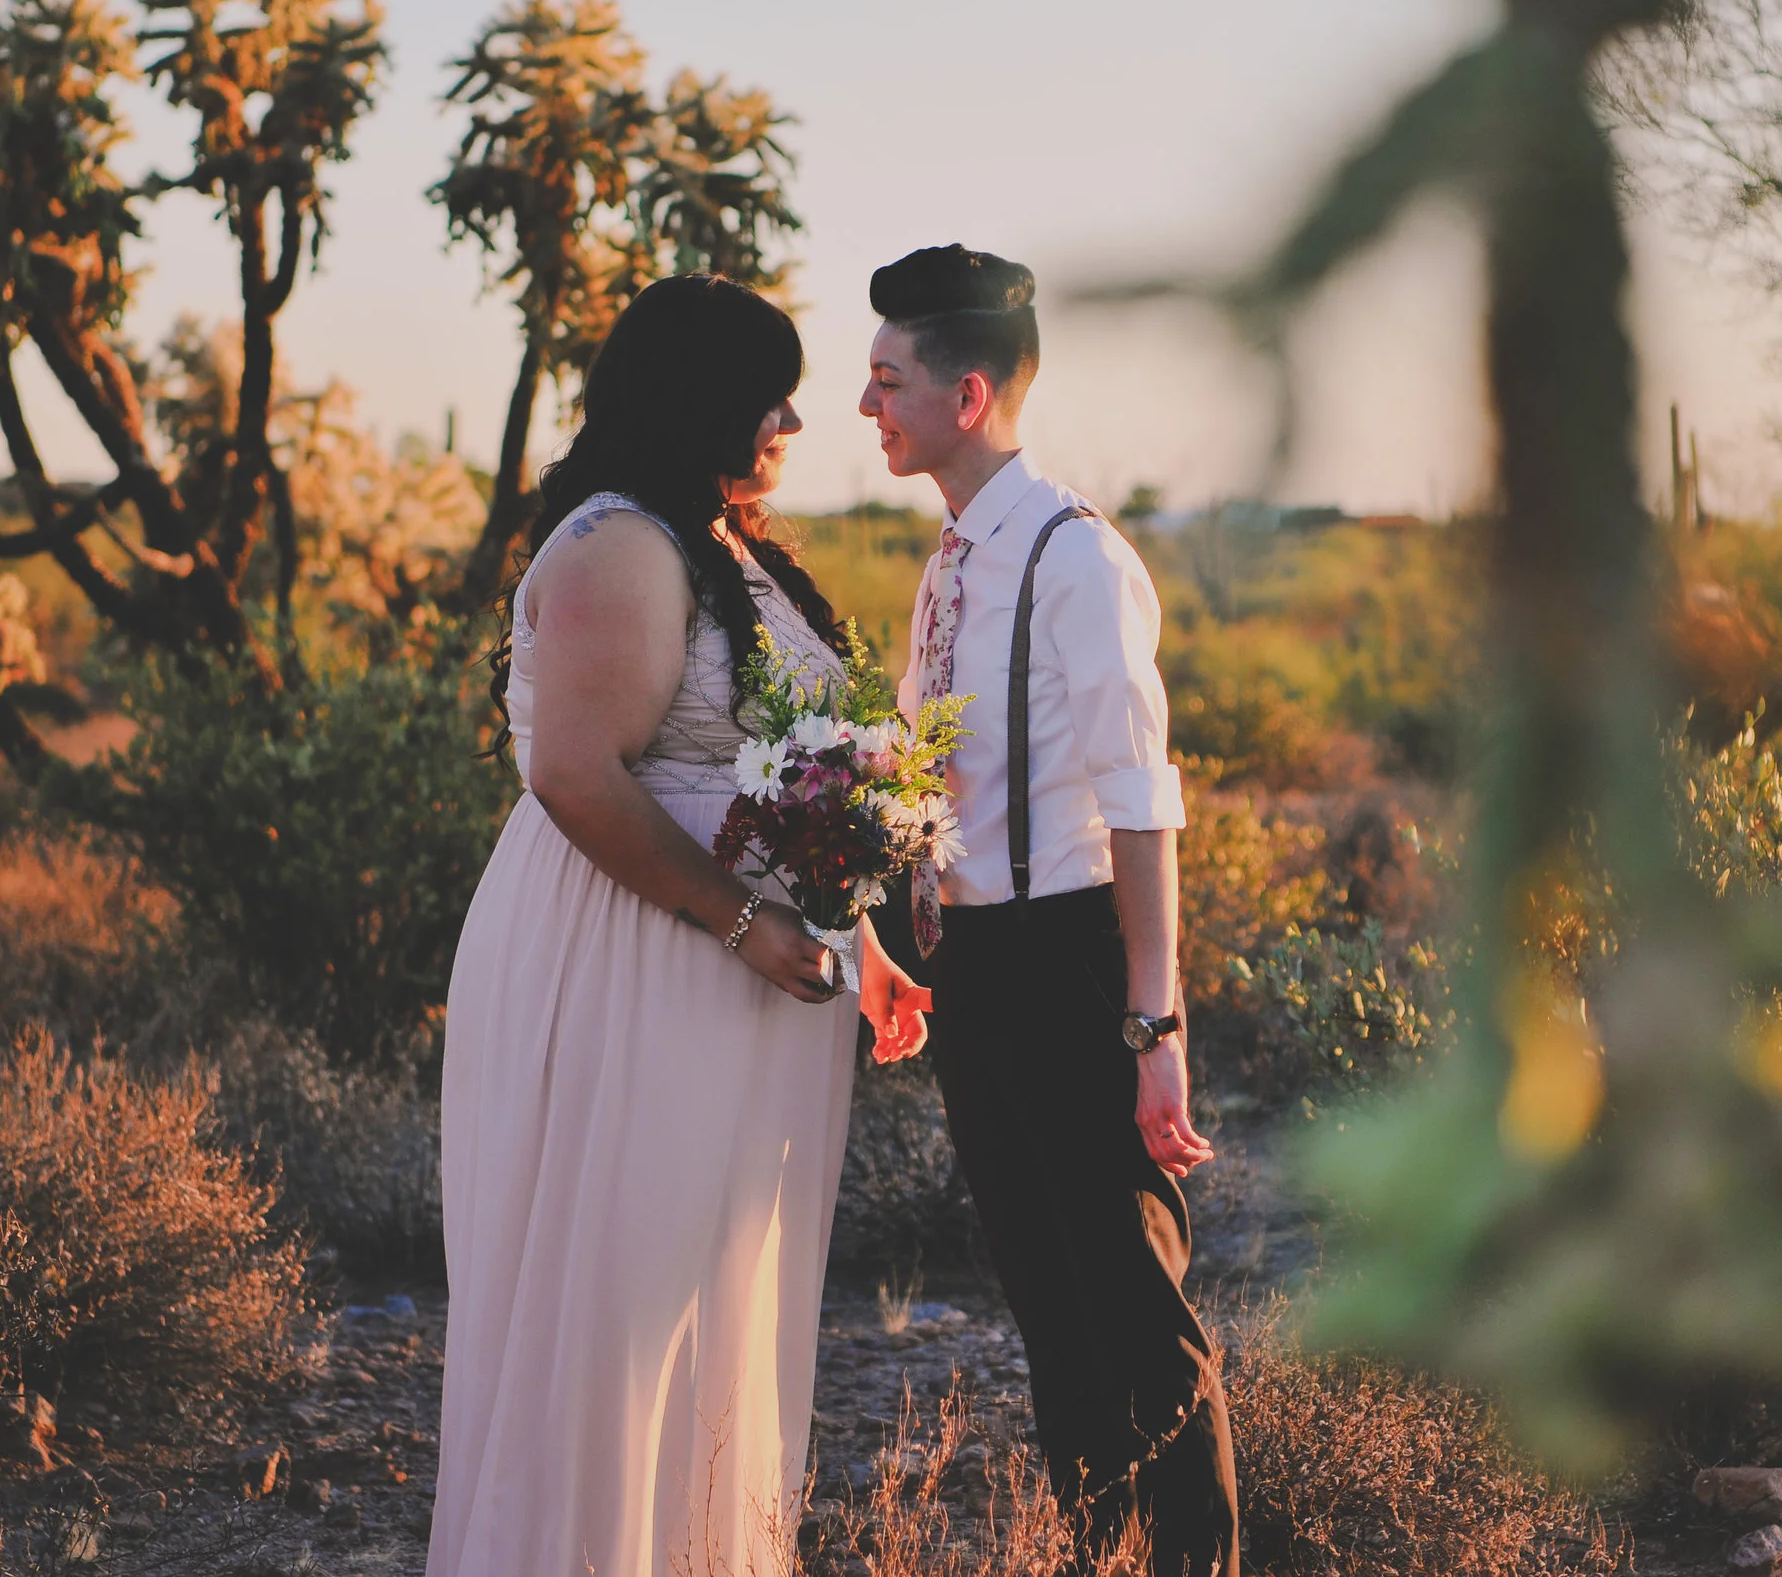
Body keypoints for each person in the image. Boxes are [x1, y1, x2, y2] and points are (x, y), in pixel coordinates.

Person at [431, 275, 931, 1577]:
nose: (793, 421)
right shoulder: (620, 547)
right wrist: (740, 929)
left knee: (713, 1304)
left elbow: (774, 768)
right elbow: (578, 775)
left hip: (738, 973)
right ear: (700, 400)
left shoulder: (722, 545)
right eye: (771, 393)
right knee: (621, 1301)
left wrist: (858, 937)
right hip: (636, 962)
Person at [860, 244, 1241, 1577]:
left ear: (967, 396)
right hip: (976, 973)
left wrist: (1155, 1023)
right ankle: (1101, 1556)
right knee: (1048, 1311)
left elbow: (1143, 797)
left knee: (1138, 1311)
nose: (868, 408)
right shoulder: (950, 562)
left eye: (888, 379)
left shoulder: (1077, 559)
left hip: (1074, 963)